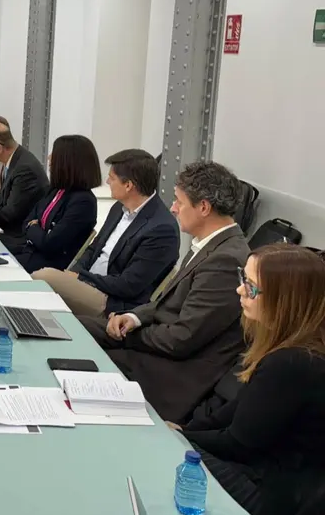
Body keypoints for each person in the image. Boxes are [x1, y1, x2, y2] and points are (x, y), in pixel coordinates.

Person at [78, 161, 250, 424]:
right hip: (158, 346)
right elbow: (166, 301)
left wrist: (129, 333)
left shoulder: (225, 261)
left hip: (172, 373)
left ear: (203, 207)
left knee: (77, 356)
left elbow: (182, 339)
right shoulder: (211, 247)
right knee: (75, 327)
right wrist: (133, 317)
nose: (173, 208)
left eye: (179, 202)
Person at [176, 244, 325, 515]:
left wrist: (179, 437)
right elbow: (233, 412)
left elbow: (239, 443)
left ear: (285, 302)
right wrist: (181, 429)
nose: (240, 291)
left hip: (267, 492)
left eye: (251, 287)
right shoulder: (290, 349)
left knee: (165, 454)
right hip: (266, 476)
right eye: (243, 278)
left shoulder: (292, 363)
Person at [33, 149, 180, 316]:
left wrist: (81, 277)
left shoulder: (162, 229)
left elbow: (128, 285)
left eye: (112, 177)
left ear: (128, 185)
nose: (107, 181)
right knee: (44, 278)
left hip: (113, 302)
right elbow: (93, 249)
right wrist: (75, 272)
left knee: (43, 277)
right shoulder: (119, 208)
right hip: (91, 283)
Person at [9, 135, 101, 273]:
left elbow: (50, 244)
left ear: (68, 161)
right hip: (29, 252)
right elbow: (27, 222)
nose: (49, 158)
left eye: (54, 154)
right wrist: (36, 229)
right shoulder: (56, 190)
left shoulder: (83, 202)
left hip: (47, 265)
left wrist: (34, 227)